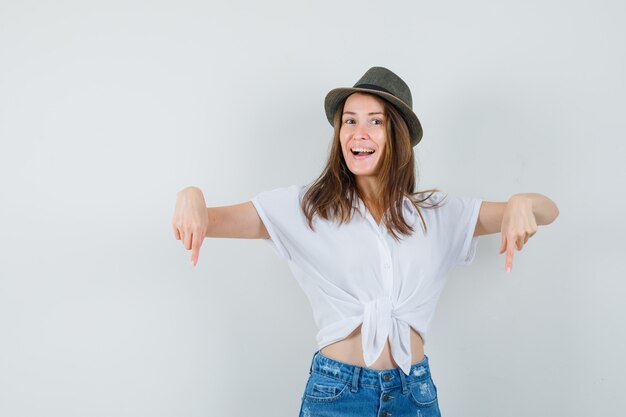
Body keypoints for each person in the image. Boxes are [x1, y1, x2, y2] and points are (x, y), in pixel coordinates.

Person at [171, 67, 559, 417]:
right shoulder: (306, 209)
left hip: (415, 396)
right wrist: (191, 195)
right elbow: (212, 219)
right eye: (350, 121)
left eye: (375, 122)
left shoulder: (436, 214)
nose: (359, 133)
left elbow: (548, 211)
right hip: (338, 394)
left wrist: (522, 203)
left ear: (397, 137)